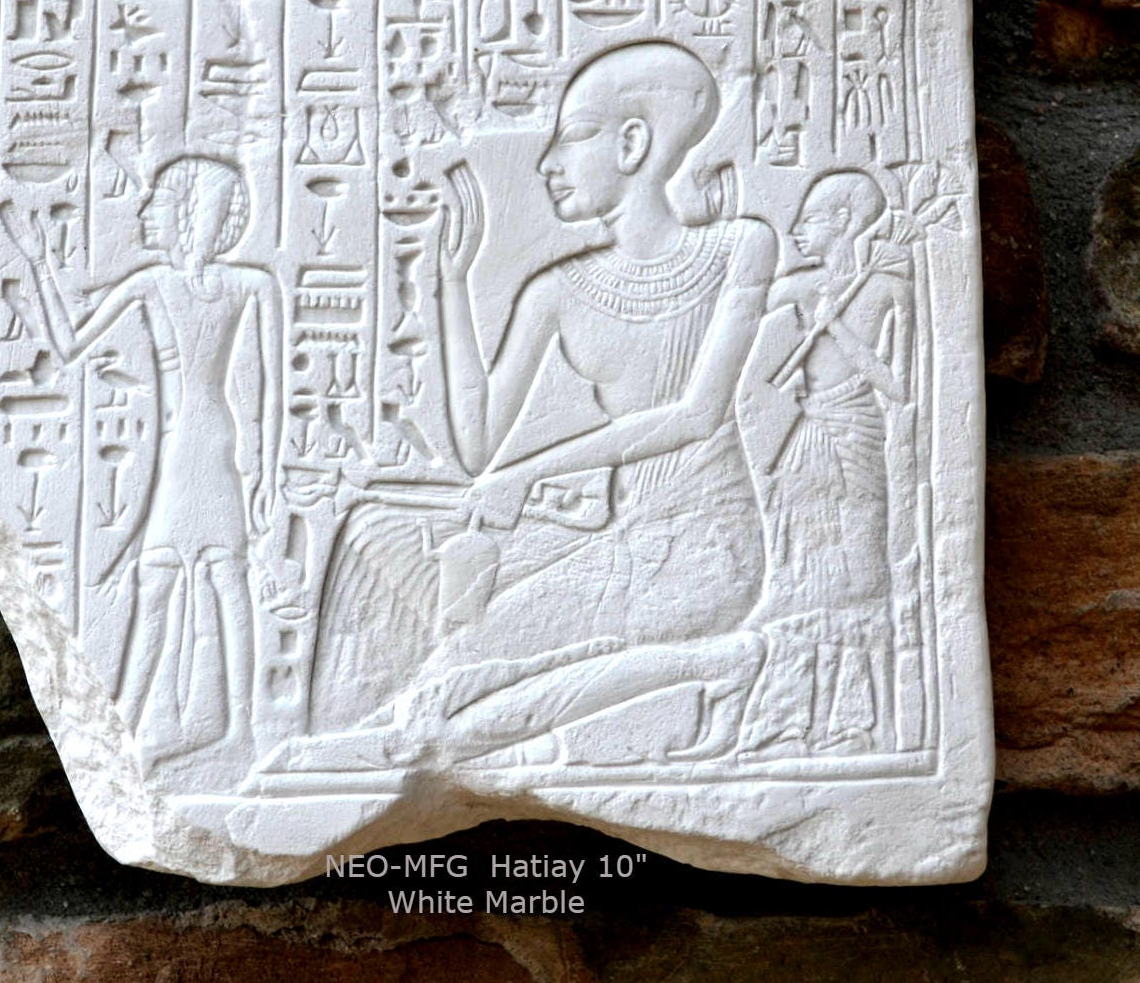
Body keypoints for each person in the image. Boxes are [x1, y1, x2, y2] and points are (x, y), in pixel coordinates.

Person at [295, 40, 775, 769]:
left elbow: (696, 415)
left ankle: (705, 664)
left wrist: (529, 473)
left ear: (633, 144)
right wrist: (450, 283)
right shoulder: (556, 289)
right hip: (621, 538)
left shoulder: (740, 247)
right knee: (378, 533)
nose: (548, 161)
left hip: (702, 550)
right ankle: (362, 733)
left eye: (572, 135)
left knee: (451, 682)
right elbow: (480, 446)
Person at [1, 155, 281, 775]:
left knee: (193, 583)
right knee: (208, 582)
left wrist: (41, 260)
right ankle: (154, 728)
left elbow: (69, 342)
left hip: (196, 449)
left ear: (189, 214)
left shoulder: (175, 284)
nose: (147, 210)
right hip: (210, 449)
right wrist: (259, 473)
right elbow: (259, 397)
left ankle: (209, 732)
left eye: (160, 200)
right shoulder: (237, 285)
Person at [736, 168, 913, 757]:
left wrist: (837, 324)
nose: (795, 229)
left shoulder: (887, 289)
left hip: (856, 434)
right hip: (805, 439)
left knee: (857, 576)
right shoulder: (795, 290)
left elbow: (898, 386)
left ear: (842, 221)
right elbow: (758, 377)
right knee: (798, 573)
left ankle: (856, 724)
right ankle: (783, 721)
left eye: (809, 217)